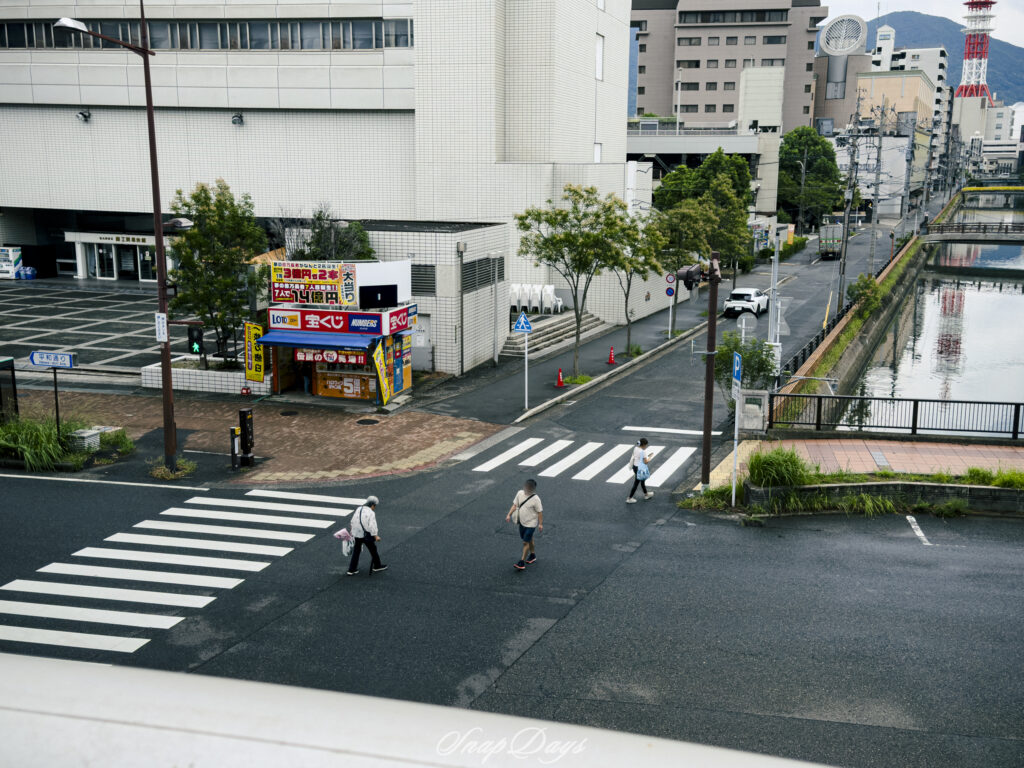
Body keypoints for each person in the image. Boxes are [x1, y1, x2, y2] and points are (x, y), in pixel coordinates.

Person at [506, 479, 543, 571]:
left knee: (525, 542)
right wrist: (509, 514)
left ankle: (521, 562)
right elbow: (515, 505)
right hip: (522, 522)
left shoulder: (536, 499)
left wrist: (540, 524)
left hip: (531, 524)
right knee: (528, 539)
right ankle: (533, 555)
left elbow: (539, 512)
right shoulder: (520, 493)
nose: (527, 489)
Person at [346, 496, 388, 575]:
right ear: (373, 505)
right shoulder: (371, 513)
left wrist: (352, 532)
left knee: (356, 551)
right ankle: (377, 566)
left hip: (357, 533)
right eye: (375, 506)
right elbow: (372, 526)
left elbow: (352, 521)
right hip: (366, 535)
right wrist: (376, 536)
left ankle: (351, 569)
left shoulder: (359, 509)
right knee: (373, 549)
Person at [627, 438, 654, 504]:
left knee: (642, 481)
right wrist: (650, 457)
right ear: (644, 445)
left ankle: (646, 494)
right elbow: (646, 462)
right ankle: (629, 498)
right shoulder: (643, 451)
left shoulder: (636, 448)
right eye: (646, 445)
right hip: (640, 469)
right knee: (636, 483)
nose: (646, 446)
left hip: (635, 467)